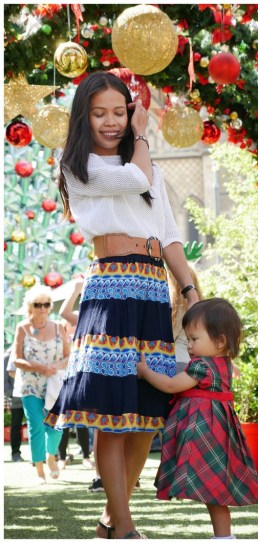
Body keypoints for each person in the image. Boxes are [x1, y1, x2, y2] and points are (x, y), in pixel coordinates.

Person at [44, 71, 199, 539]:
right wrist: (139, 133)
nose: (110, 122)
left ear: (128, 109)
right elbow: (134, 177)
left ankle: (112, 518)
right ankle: (125, 527)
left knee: (146, 418)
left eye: (119, 111)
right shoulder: (77, 164)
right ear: (83, 117)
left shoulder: (147, 167)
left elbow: (169, 235)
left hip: (152, 287)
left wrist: (191, 291)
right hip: (111, 286)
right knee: (113, 417)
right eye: (99, 113)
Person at [137, 298, 258, 539]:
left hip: (202, 434)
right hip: (218, 434)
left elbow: (172, 385)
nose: (190, 346)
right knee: (216, 490)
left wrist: (146, 372)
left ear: (220, 341)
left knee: (209, 484)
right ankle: (224, 537)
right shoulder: (224, 365)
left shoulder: (201, 366)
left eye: (194, 339)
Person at [9, 285, 69, 484]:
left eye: (46, 304)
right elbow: (16, 359)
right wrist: (39, 367)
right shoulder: (22, 328)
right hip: (30, 385)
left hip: (55, 384)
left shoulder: (59, 326)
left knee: (56, 426)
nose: (43, 308)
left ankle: (51, 455)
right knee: (36, 426)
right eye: (38, 304)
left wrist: (55, 366)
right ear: (30, 306)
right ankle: (40, 470)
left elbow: (69, 357)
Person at [56, 276, 95, 472]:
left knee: (83, 420)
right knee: (64, 418)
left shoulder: (92, 319)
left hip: (85, 377)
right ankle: (61, 456)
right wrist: (76, 290)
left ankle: (87, 456)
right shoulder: (79, 321)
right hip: (65, 378)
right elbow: (64, 312)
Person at [5, 350, 25, 462]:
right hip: (16, 401)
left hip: (32, 397)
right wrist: (12, 395)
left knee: (36, 426)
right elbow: (4, 381)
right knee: (16, 426)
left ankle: (38, 455)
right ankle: (15, 453)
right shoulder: (8, 356)